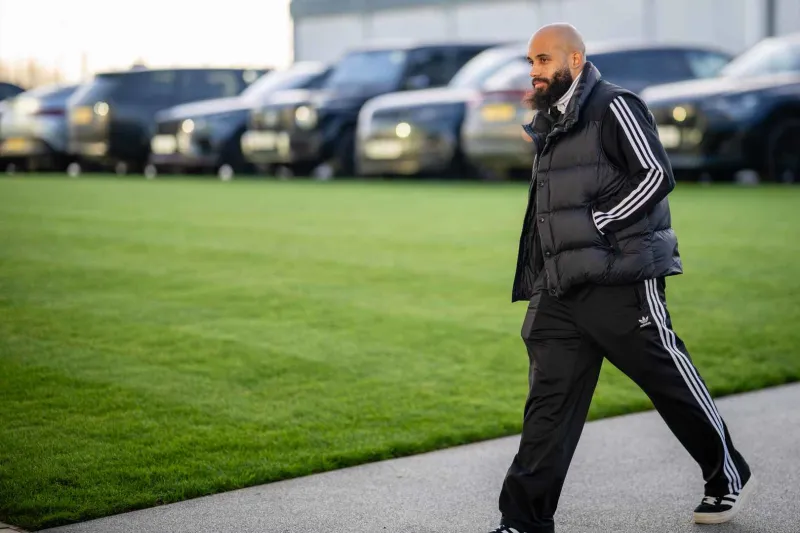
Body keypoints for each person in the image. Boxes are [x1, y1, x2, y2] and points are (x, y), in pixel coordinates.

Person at [488, 24, 756, 533]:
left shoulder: (614, 105)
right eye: (531, 62)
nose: (534, 71)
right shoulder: (551, 120)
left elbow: (655, 174)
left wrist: (599, 223)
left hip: (621, 278)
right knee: (548, 405)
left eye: (544, 60)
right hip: (560, 287)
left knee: (667, 380)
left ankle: (726, 472)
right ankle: (523, 520)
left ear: (575, 59)